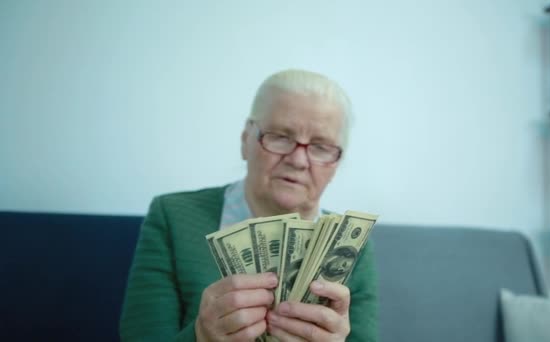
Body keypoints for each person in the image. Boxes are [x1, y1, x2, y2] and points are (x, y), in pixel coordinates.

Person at [120, 69, 377, 341]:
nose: (299, 161)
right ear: (245, 140)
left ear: (336, 164)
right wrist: (199, 337)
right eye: (281, 136)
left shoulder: (350, 246)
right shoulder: (173, 217)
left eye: (321, 146)